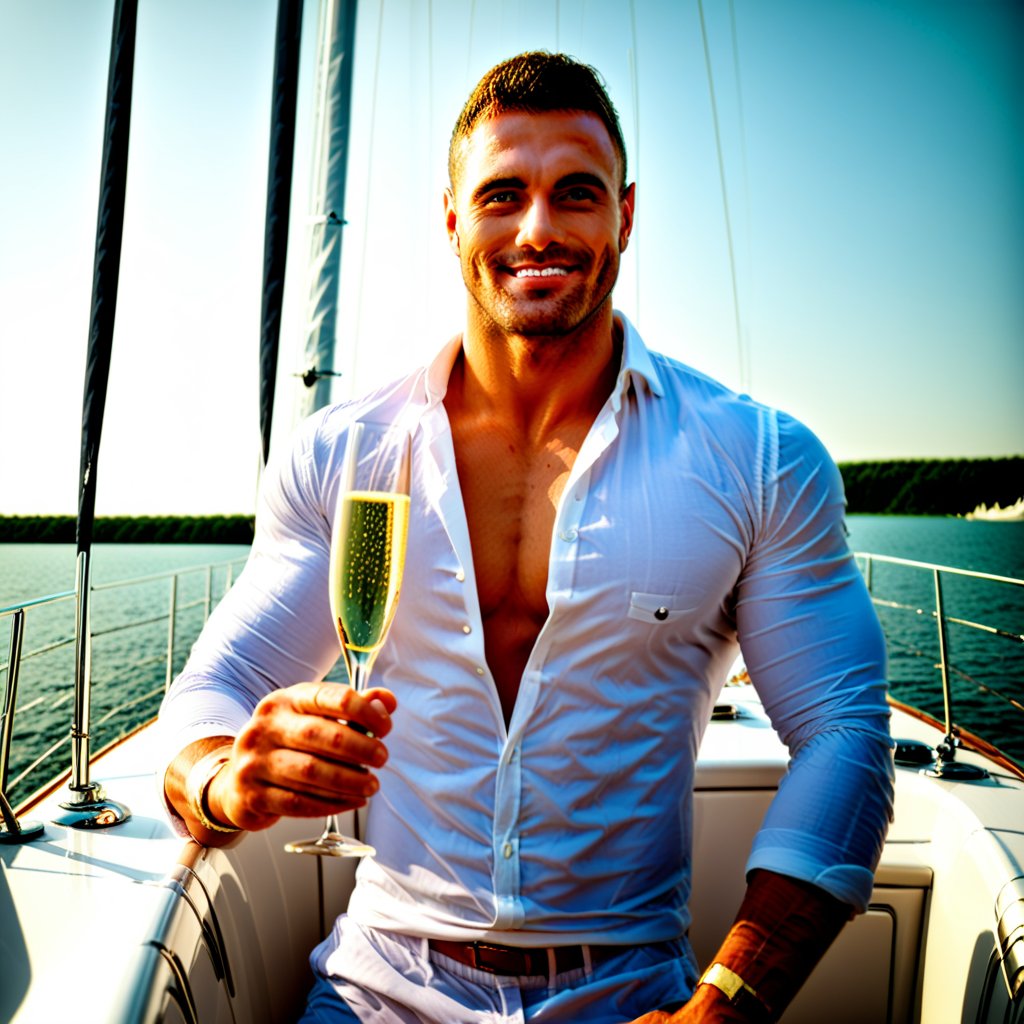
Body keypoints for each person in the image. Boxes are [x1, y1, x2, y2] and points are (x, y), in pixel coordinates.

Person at [159, 52, 894, 1023]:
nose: (539, 228)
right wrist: (223, 778)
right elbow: (214, 690)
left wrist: (724, 1007)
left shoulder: (758, 460)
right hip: (378, 988)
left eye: (575, 194)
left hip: (629, 989)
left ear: (624, 215)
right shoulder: (345, 454)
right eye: (503, 194)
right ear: (453, 217)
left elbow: (844, 734)